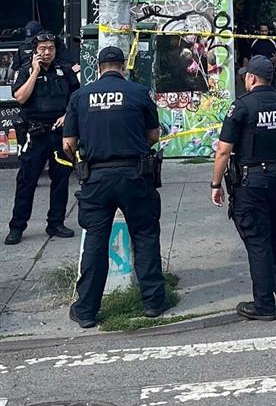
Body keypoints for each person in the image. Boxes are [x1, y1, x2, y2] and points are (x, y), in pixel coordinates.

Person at [63, 47, 167, 328]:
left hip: (96, 178)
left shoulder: (80, 97)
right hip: (135, 175)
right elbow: (154, 135)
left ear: (98, 68)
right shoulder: (139, 92)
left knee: (96, 243)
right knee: (144, 235)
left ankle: (86, 310)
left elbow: (68, 143)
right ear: (123, 67)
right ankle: (154, 302)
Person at [211, 55, 276, 321]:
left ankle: (263, 304)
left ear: (251, 78)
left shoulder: (241, 107)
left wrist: (216, 184)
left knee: (257, 241)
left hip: (251, 182)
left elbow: (224, 151)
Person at [6, 32, 79, 246]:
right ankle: (17, 226)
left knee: (61, 180)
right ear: (35, 51)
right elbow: (20, 97)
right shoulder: (25, 71)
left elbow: (75, 99)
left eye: (51, 48)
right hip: (34, 134)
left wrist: (67, 116)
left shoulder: (64, 71)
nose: (47, 53)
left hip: (59, 134)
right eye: (42, 49)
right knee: (26, 181)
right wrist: (34, 71)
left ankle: (55, 223)